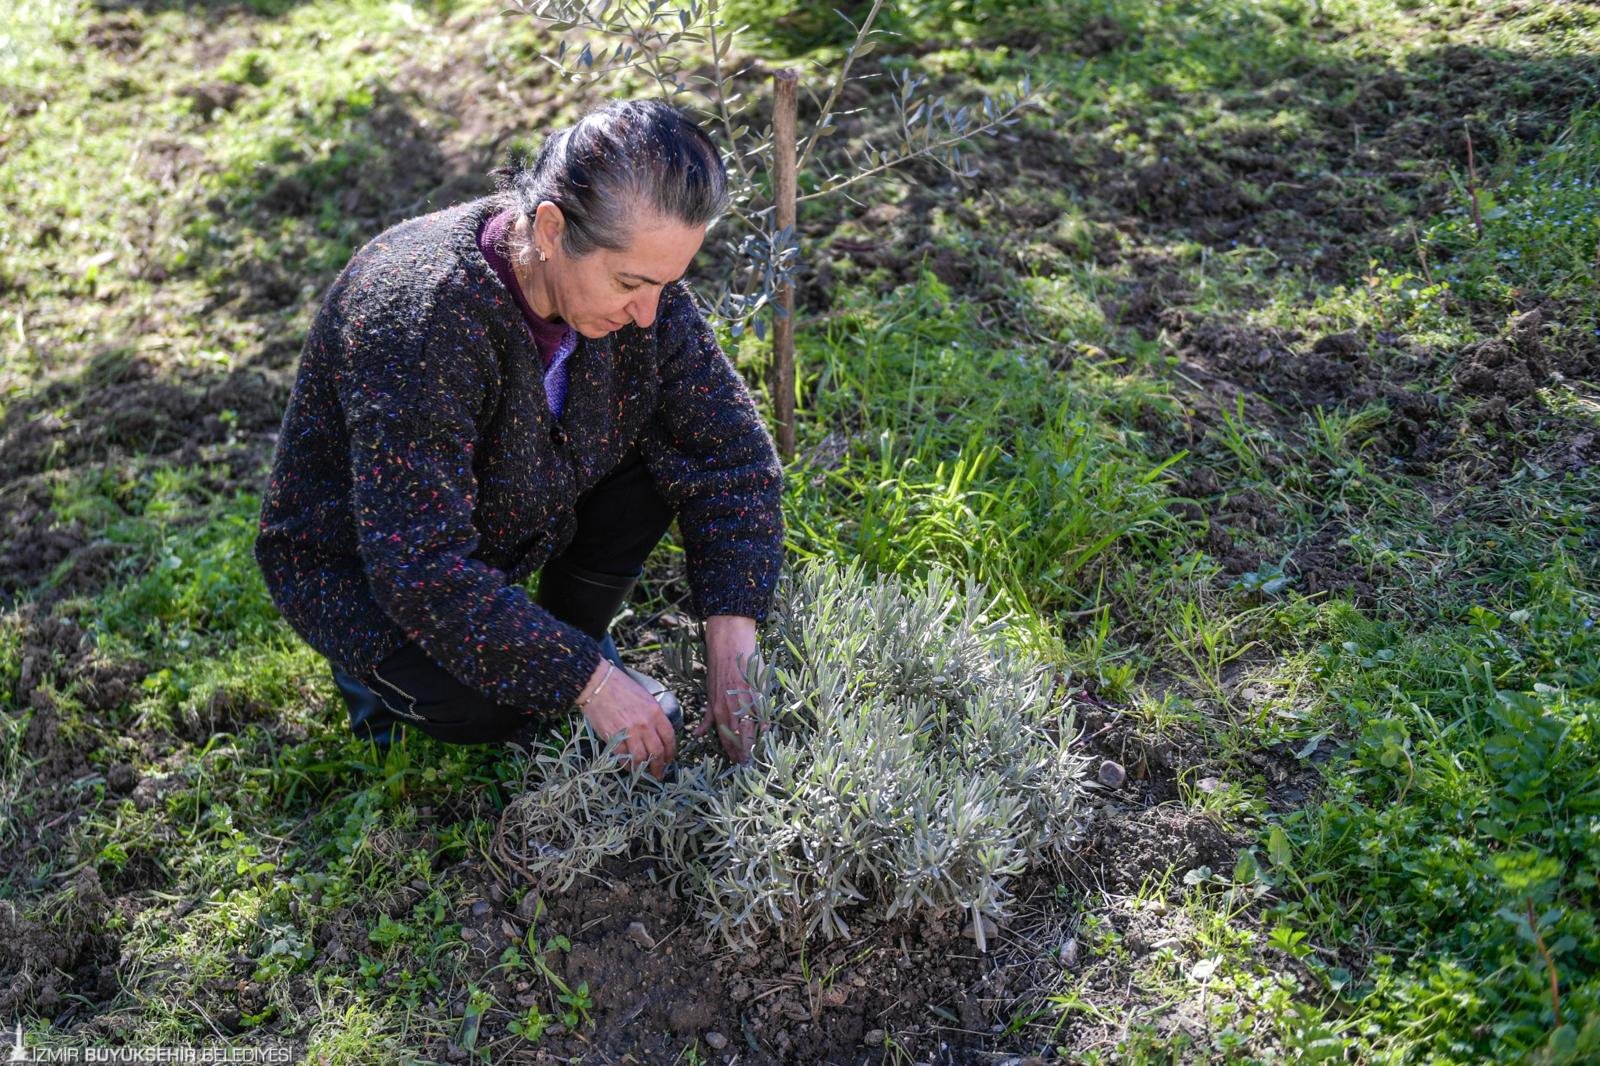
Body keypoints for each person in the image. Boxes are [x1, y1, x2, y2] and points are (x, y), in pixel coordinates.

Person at [253, 99, 786, 777]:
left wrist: (731, 630)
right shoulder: (423, 317)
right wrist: (585, 683)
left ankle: (567, 638)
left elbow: (729, 455)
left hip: (503, 513)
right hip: (369, 567)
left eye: (667, 283)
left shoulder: (638, 295)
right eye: (630, 282)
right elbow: (418, 566)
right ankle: (381, 686)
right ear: (551, 227)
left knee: (669, 446)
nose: (649, 312)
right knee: (492, 708)